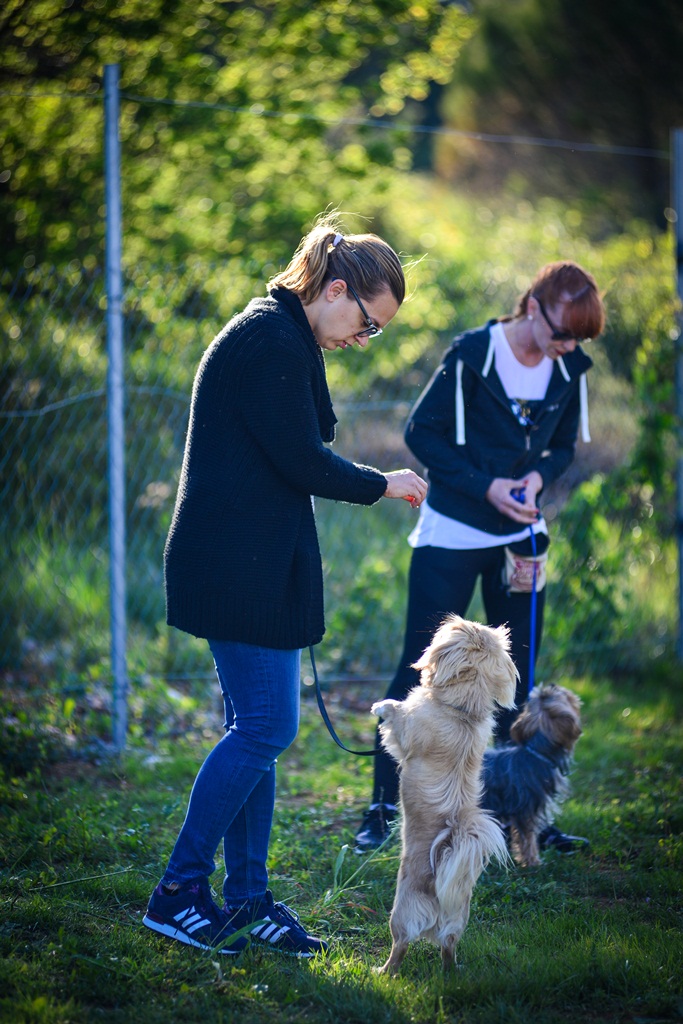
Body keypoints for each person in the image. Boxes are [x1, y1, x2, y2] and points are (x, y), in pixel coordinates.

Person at [142, 217, 427, 958]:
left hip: (251, 565)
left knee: (257, 731)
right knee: (267, 728)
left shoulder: (285, 336)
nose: (362, 340)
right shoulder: (268, 340)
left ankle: (247, 900)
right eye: (366, 324)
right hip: (232, 568)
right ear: (334, 290)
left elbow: (302, 441)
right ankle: (176, 891)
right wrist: (382, 482)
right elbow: (305, 460)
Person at [354, 261, 606, 855]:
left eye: (579, 339)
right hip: (454, 527)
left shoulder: (570, 368)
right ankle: (383, 806)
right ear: (533, 307)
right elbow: (422, 434)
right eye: (563, 332)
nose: (568, 347)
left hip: (522, 533)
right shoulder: (473, 353)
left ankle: (520, 818)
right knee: (419, 667)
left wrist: (538, 480)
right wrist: (484, 485)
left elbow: (564, 446)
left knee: (517, 672)